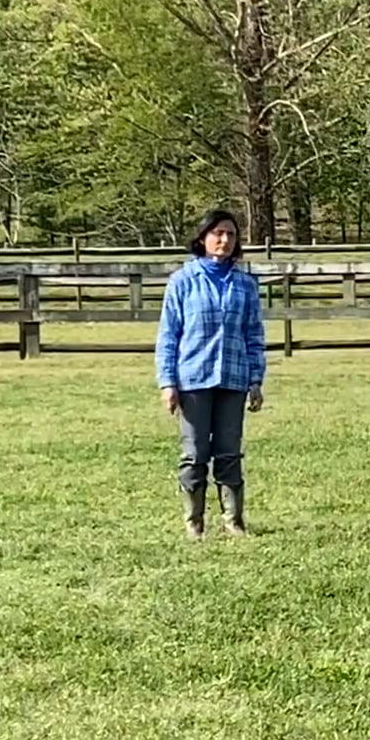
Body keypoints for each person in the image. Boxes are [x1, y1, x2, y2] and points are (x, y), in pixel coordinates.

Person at [154, 208, 266, 538]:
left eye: (231, 234)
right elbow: (168, 335)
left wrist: (256, 379)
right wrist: (167, 382)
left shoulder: (245, 285)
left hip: (233, 378)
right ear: (202, 238)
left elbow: (254, 335)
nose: (225, 240)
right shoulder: (182, 282)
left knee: (229, 452)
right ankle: (194, 523)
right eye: (218, 233)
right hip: (192, 379)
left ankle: (234, 521)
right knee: (195, 453)